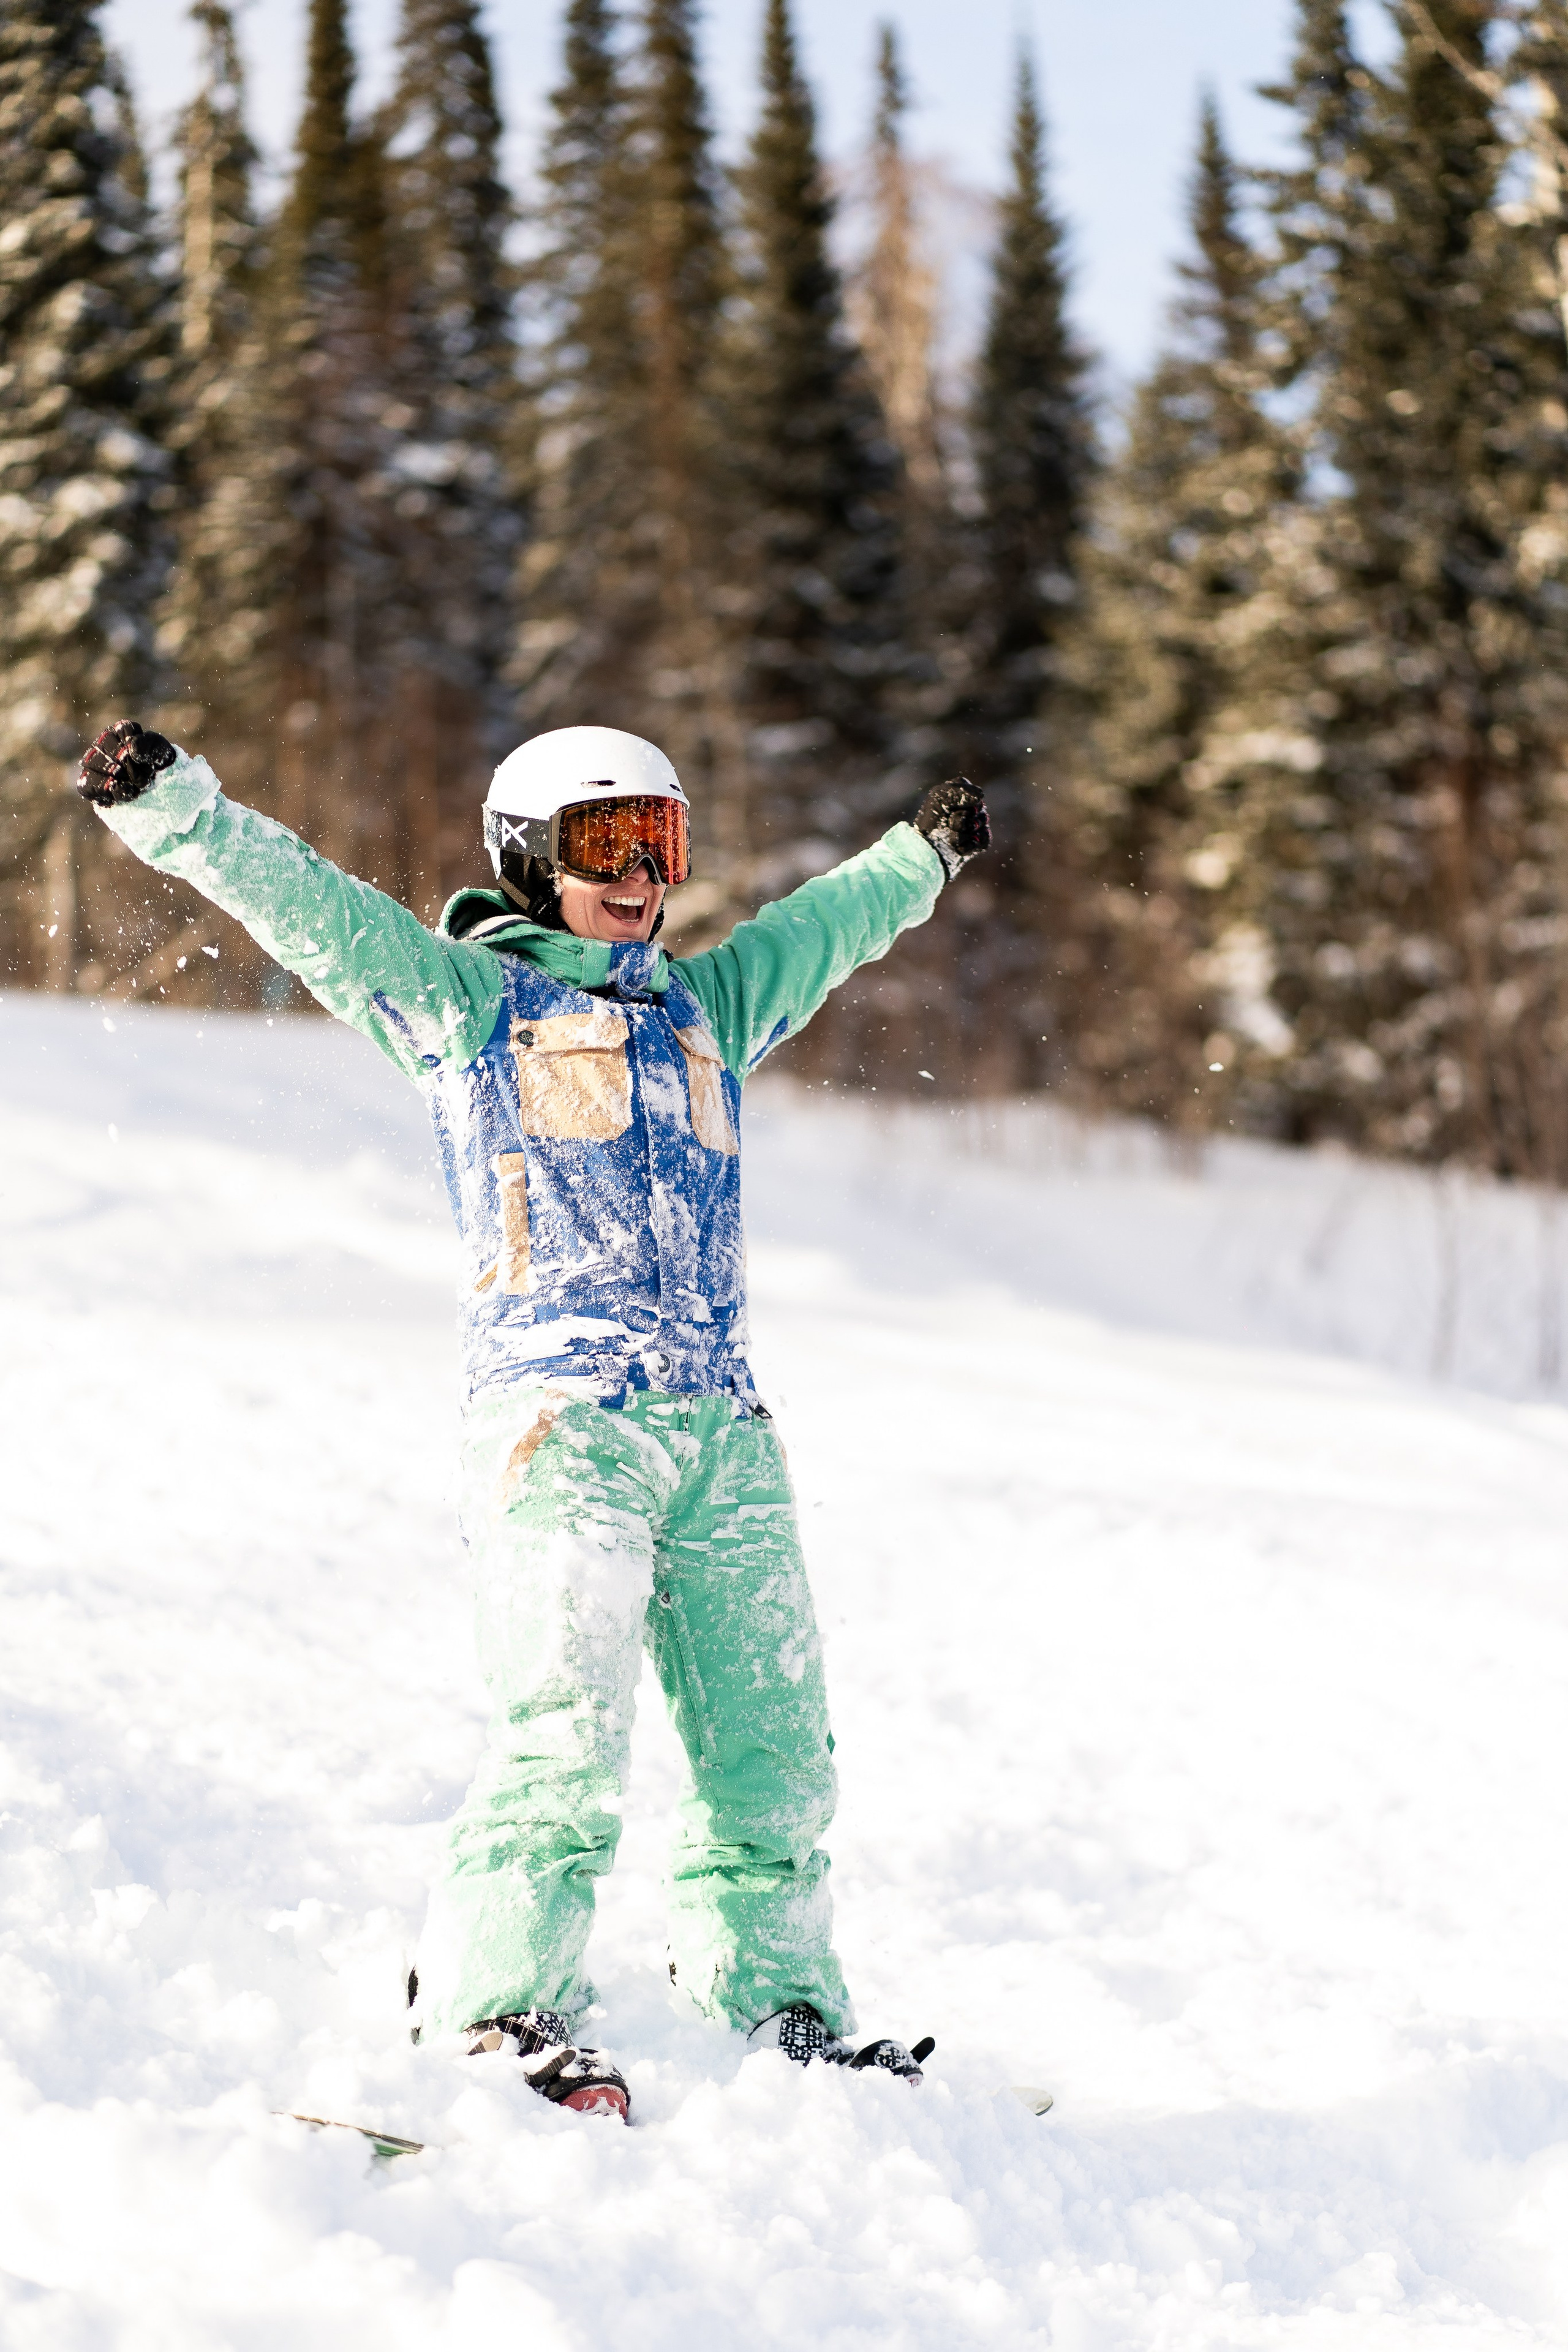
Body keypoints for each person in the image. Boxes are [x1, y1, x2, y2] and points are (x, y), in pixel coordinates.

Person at [76, 718, 991, 2122]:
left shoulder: (707, 1008)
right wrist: (178, 812)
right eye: (603, 843)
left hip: (721, 1430)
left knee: (774, 1752)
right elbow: (313, 910)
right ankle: (495, 2007)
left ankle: (776, 2005)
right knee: (562, 1735)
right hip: (559, 1426)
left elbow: (819, 930)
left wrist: (915, 859)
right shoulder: (466, 1005)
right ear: (525, 857)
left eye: (660, 843)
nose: (639, 877)